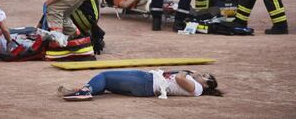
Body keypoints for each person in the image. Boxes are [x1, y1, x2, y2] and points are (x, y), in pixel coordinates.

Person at [58, 69, 222, 101]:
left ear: (208, 85)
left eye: (206, 76)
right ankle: (82, 90)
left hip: (147, 82)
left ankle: (84, 91)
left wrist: (186, 71)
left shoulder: (198, 89)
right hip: (147, 82)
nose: (202, 74)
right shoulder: (197, 85)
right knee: (107, 83)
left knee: (105, 76)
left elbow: (179, 78)